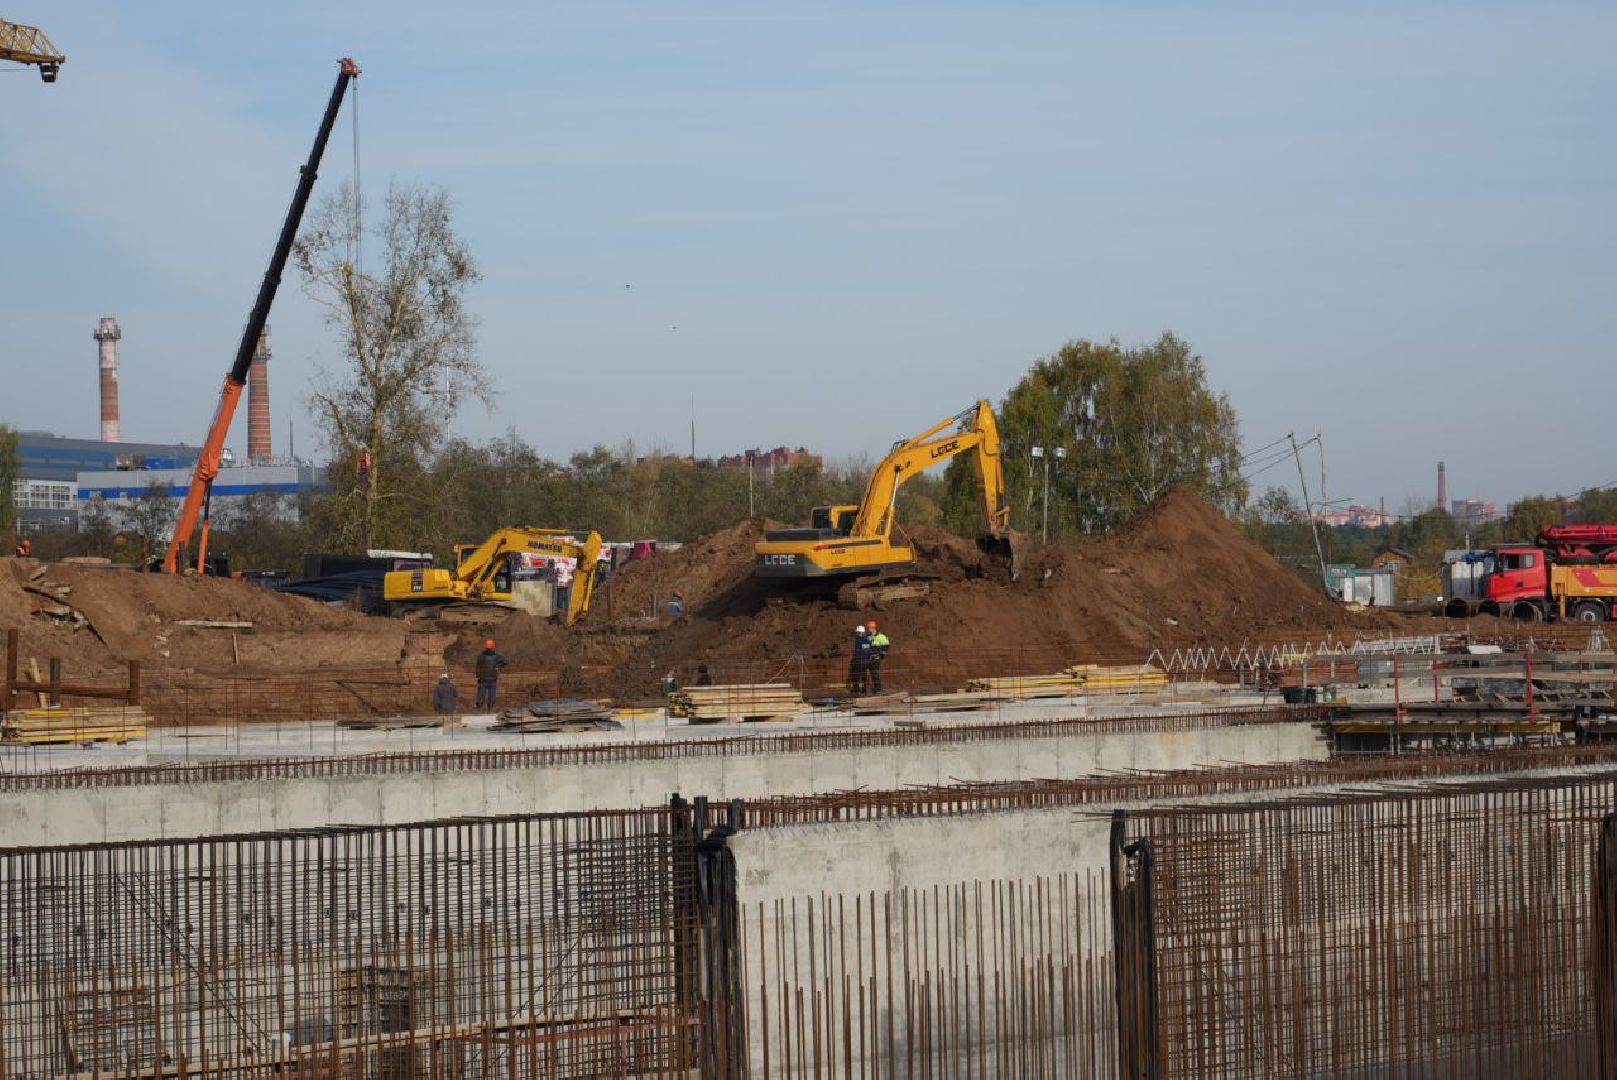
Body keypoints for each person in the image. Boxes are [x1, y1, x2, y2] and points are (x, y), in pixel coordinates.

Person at [474, 638, 508, 710]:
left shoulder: (481, 656)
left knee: (481, 692)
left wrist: (478, 677)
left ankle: (479, 706)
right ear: (493, 646)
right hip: (493, 678)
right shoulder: (497, 656)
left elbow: (478, 667)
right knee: (492, 692)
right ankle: (490, 707)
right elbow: (506, 661)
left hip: (483, 678)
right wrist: (499, 667)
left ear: (486, 646)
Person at [847, 624, 871, 695]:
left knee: (856, 675)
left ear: (860, 632)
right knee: (864, 676)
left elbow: (857, 651)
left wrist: (853, 660)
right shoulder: (868, 640)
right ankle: (864, 690)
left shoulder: (858, 640)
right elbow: (868, 650)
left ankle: (856, 690)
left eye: (857, 632)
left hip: (858, 660)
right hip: (866, 660)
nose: (857, 633)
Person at [867, 621, 891, 693]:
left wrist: (881, 653)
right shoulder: (869, 636)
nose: (868, 629)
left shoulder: (880, 636)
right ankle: (875, 688)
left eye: (869, 628)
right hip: (869, 658)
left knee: (875, 674)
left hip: (875, 658)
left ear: (872, 628)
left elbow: (886, 645)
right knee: (872, 674)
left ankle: (878, 689)